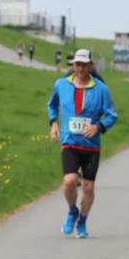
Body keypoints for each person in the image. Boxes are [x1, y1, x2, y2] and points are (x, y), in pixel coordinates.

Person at [48, 49, 118, 238]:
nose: (80, 68)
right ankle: (72, 211)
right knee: (69, 181)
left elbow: (112, 114)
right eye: (77, 64)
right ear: (73, 65)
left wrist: (99, 127)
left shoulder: (101, 89)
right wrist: (53, 122)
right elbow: (52, 104)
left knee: (88, 187)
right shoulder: (61, 84)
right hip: (70, 142)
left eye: (84, 64)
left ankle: (83, 221)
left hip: (91, 146)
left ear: (90, 66)